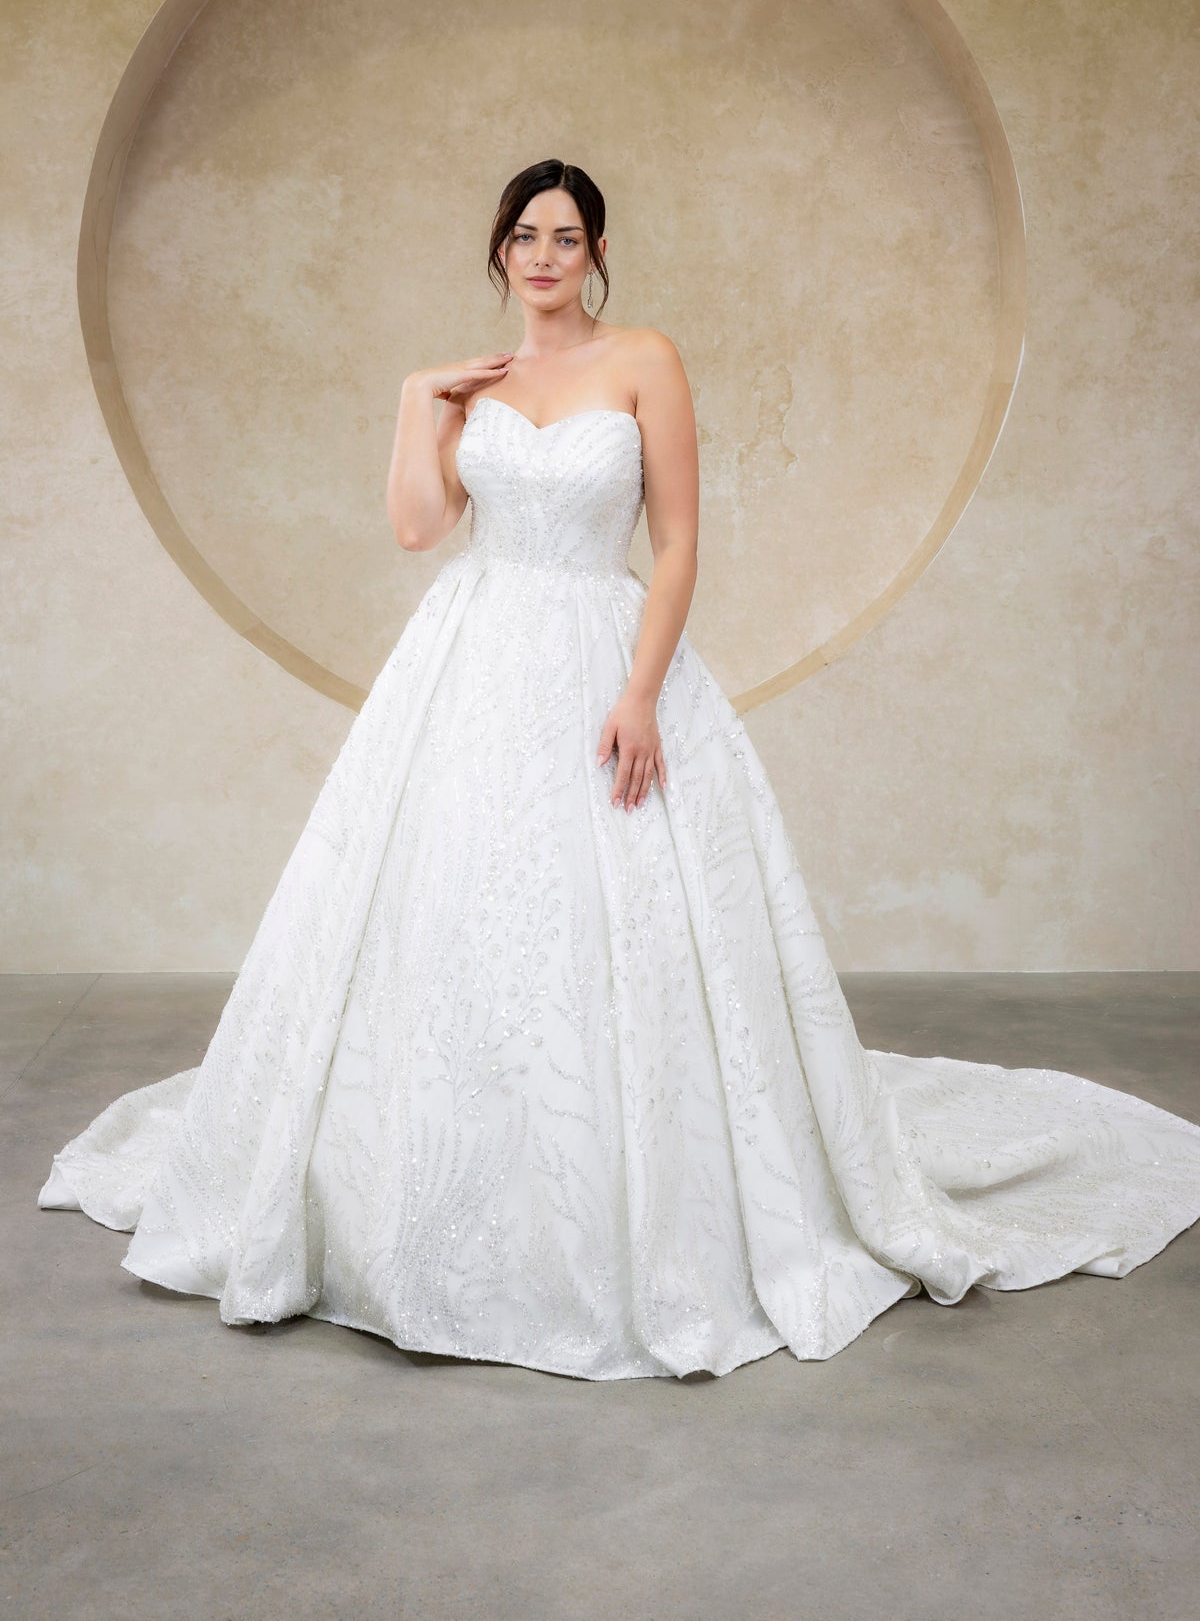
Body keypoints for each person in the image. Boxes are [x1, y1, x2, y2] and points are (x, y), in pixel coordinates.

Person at [38, 158, 1200, 1381]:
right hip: (471, 659)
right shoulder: (472, 384)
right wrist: (416, 402)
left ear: (597, 253)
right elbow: (420, 528)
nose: (544, 256)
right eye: (525, 236)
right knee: (453, 914)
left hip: (602, 650)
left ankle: (624, 1197)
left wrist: (639, 693)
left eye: (567, 237)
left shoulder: (643, 359)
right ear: (500, 251)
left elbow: (680, 541)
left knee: (615, 925)